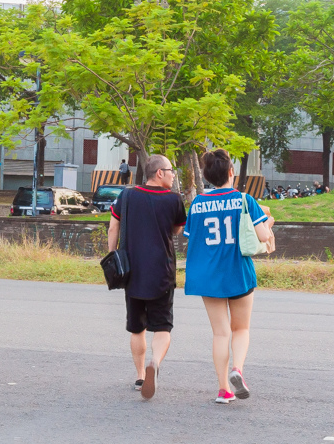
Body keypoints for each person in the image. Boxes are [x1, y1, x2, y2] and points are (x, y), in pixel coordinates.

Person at [183, 149, 275, 404]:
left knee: (220, 333)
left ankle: (223, 389)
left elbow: (192, 237)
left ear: (208, 176)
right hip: (237, 271)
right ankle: (238, 369)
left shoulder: (197, 203)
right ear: (231, 172)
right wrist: (269, 222)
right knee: (241, 328)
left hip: (207, 275)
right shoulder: (245, 200)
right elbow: (263, 236)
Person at [107, 154, 187, 400]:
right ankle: (155, 362)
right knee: (162, 326)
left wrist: (113, 256)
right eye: (171, 170)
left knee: (136, 328)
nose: (174, 175)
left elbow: (113, 227)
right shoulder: (174, 200)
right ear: (159, 173)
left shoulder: (127, 195)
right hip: (161, 272)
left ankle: (141, 375)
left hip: (131, 272)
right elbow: (177, 229)